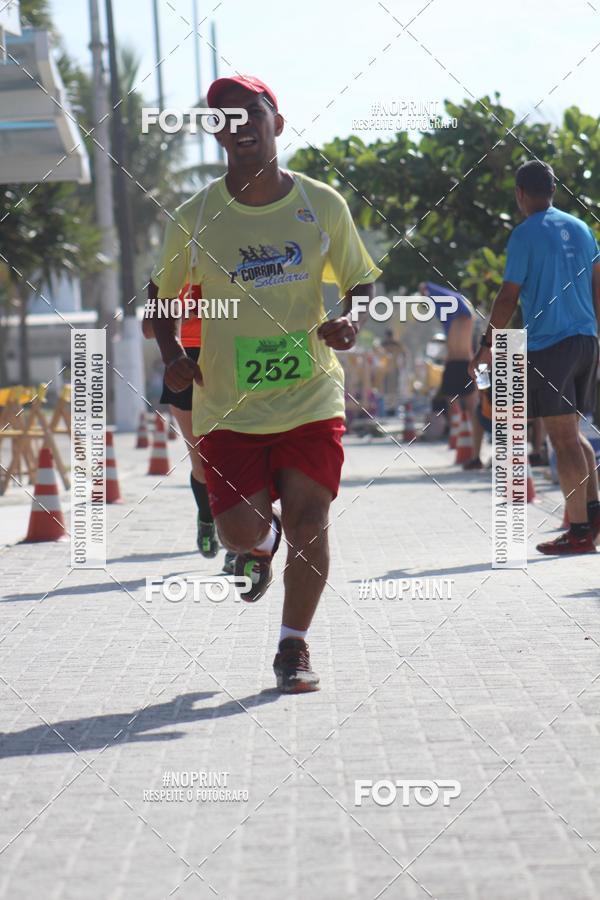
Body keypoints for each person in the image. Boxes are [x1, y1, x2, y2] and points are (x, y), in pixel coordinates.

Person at [149, 74, 381, 692]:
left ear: (276, 122)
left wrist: (351, 317)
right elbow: (160, 297)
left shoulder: (322, 203)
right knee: (238, 531)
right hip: (228, 405)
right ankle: (259, 541)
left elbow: (359, 279)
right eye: (223, 118)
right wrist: (172, 352)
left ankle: (293, 648)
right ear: (215, 134)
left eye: (250, 112)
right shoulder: (197, 215)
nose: (239, 125)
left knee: (313, 522)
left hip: (310, 395)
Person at [470, 159, 600, 555]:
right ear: (554, 190)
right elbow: (598, 286)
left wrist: (488, 342)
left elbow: (508, 295)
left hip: (553, 345)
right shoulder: (581, 228)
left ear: (520, 194)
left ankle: (578, 530)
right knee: (575, 432)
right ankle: (592, 515)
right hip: (586, 341)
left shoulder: (525, 234)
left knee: (562, 438)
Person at [143, 280, 225, 563]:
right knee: (202, 461)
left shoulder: (230, 257)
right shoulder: (172, 270)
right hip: (183, 361)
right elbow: (147, 328)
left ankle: (239, 544)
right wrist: (181, 313)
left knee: (239, 453)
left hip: (227, 356)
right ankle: (206, 518)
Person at [419, 282, 478, 419]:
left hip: (457, 364)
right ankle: (464, 438)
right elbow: (449, 299)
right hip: (462, 364)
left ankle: (462, 437)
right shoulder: (462, 318)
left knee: (461, 404)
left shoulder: (461, 316)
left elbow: (452, 298)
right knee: (466, 404)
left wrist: (427, 287)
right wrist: (428, 290)